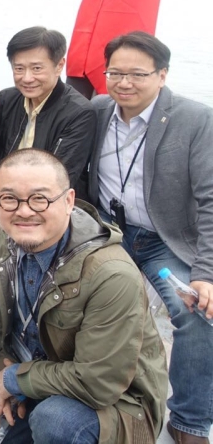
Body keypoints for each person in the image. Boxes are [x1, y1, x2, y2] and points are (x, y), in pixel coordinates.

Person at [0, 149, 167, 444]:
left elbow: (99, 383)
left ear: (69, 200)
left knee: (55, 422)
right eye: (9, 199)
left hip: (114, 403)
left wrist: (15, 379)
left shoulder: (111, 274)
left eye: (40, 198)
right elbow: (1, 329)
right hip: (42, 373)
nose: (24, 211)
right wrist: (1, 377)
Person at [88, 31, 213, 444]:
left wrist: (205, 273)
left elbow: (210, 200)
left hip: (162, 242)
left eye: (137, 74)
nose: (125, 83)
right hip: (110, 234)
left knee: (193, 312)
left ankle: (189, 421)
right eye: (115, 73)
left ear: (162, 75)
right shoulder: (98, 109)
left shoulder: (194, 119)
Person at [0, 27, 95, 243]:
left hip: (45, 210)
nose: (27, 78)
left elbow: (59, 181)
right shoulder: (8, 100)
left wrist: (2, 239)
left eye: (37, 68)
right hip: (2, 201)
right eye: (19, 68)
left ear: (59, 66)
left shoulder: (79, 113)